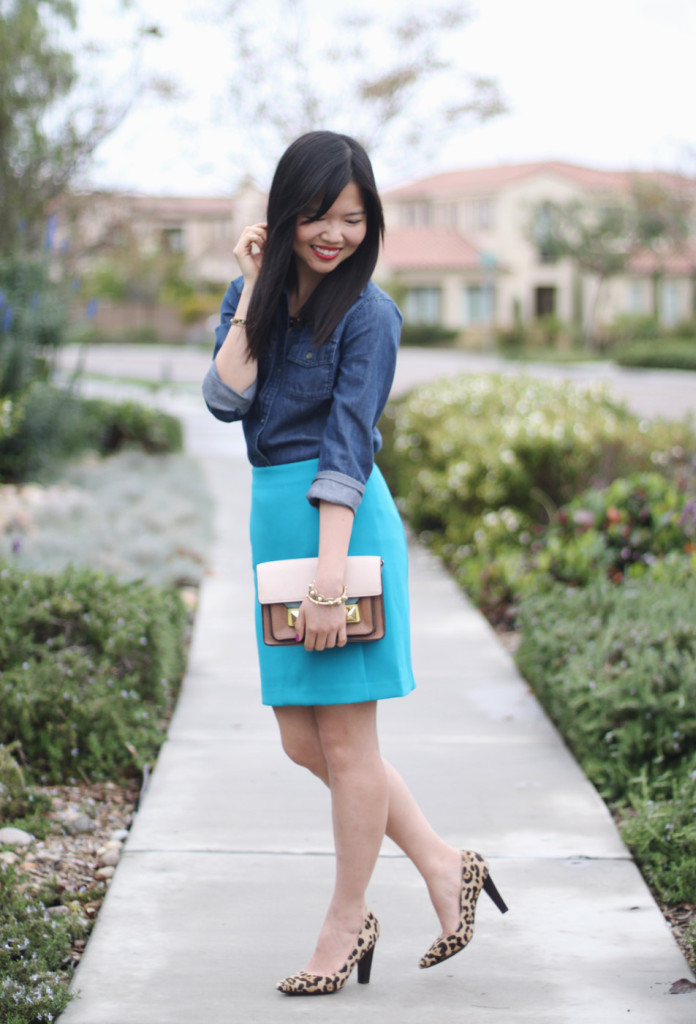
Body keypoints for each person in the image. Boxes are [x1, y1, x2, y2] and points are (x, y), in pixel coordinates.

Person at [202, 130, 507, 997]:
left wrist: (333, 577)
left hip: (339, 524)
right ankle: (447, 865)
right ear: (284, 214)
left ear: (369, 224)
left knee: (345, 737)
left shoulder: (370, 315)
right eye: (316, 216)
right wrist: (256, 287)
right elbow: (225, 400)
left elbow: (346, 448)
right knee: (308, 742)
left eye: (351, 218)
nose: (332, 234)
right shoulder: (251, 293)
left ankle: (346, 920)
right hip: (275, 525)